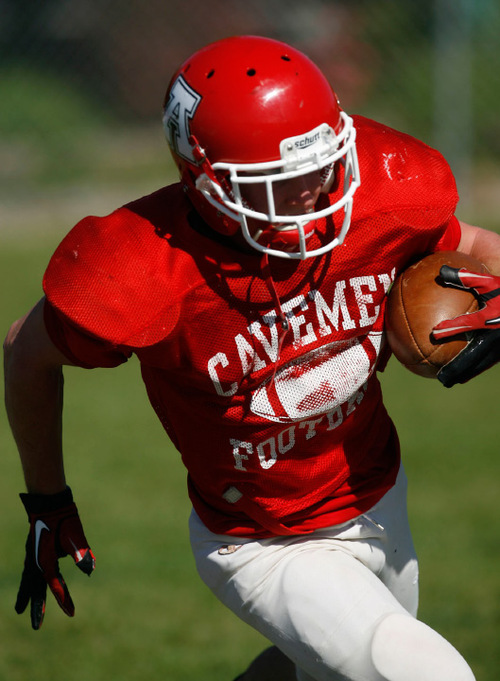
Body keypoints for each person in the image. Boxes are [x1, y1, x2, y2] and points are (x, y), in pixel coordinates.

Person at [4, 35, 500, 681]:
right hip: (261, 539)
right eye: (279, 179)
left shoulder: (376, 192)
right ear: (203, 178)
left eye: (321, 164)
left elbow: (480, 245)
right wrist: (47, 499)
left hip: (377, 485)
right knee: (419, 669)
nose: (314, 190)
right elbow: (25, 350)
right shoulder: (146, 266)